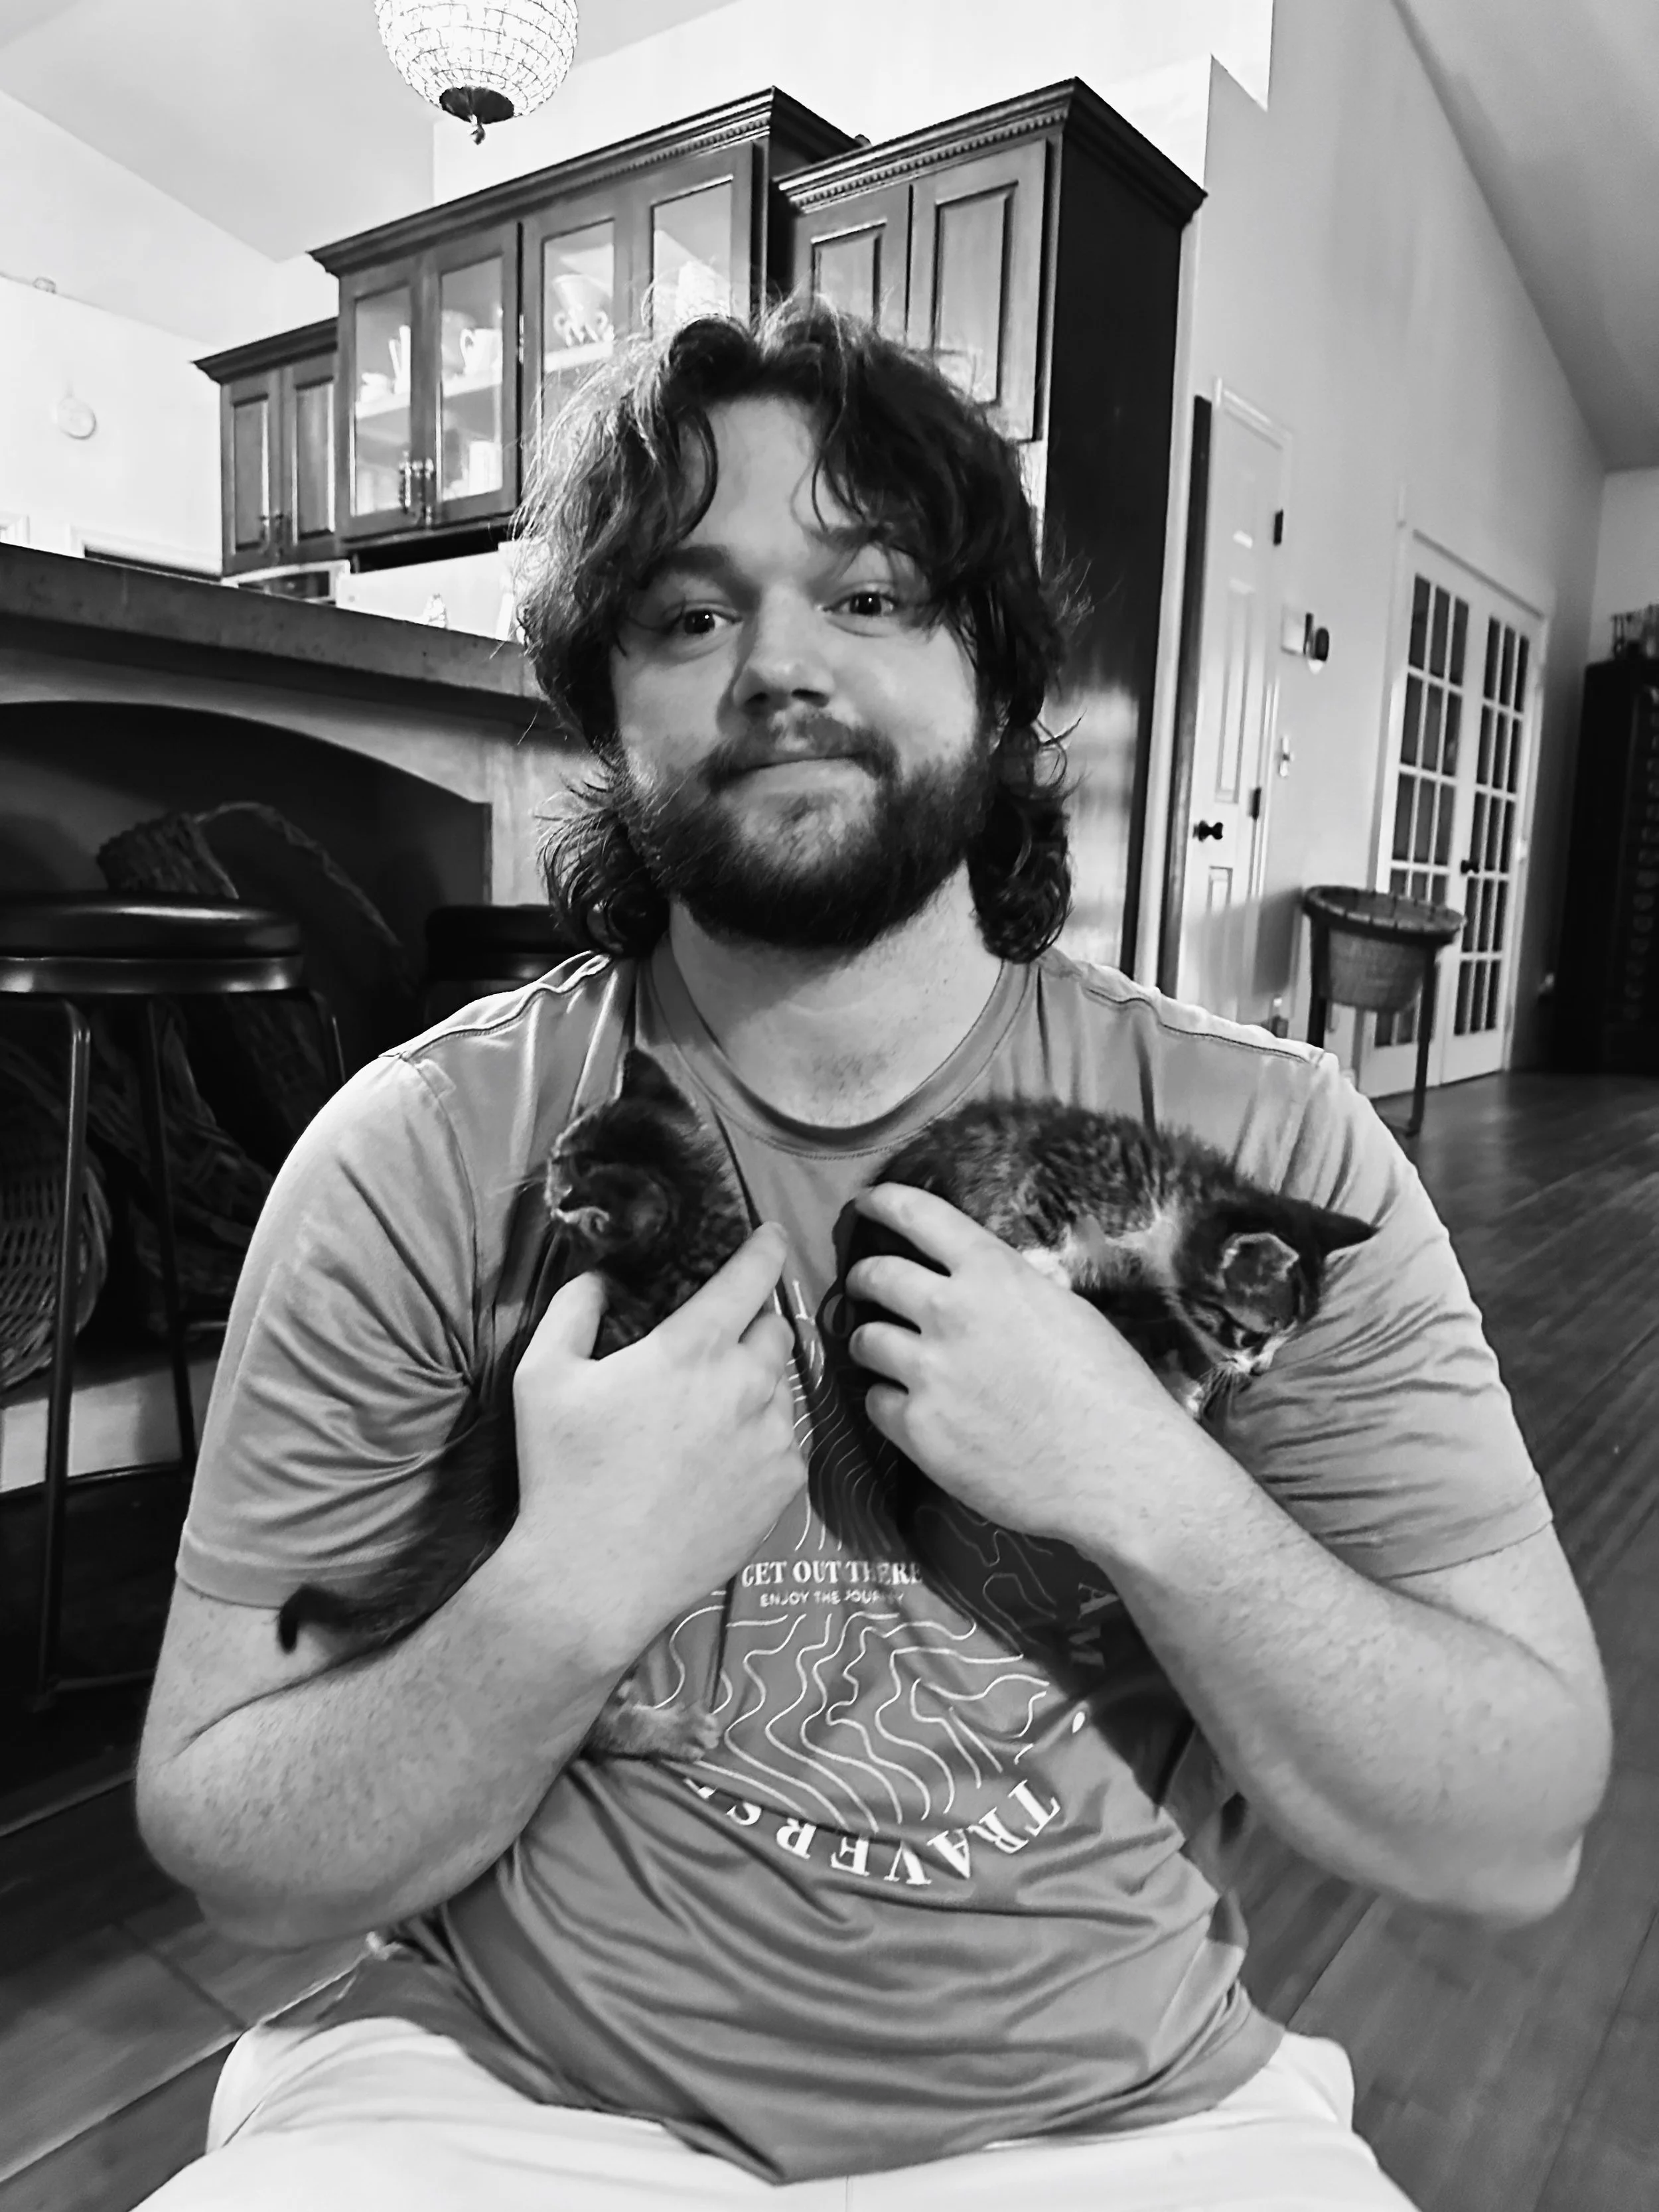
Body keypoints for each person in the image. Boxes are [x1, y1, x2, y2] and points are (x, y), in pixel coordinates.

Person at [133, 297, 1610, 2211]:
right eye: (687, 612)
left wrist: (1144, 1479)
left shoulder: (1265, 1153)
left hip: (1114, 2125)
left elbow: (1515, 1827)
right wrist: (563, 1589)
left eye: (874, 594)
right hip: (496, 2097)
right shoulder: (421, 1153)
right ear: (604, 708)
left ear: (996, 681)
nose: (776, 666)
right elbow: (227, 1840)